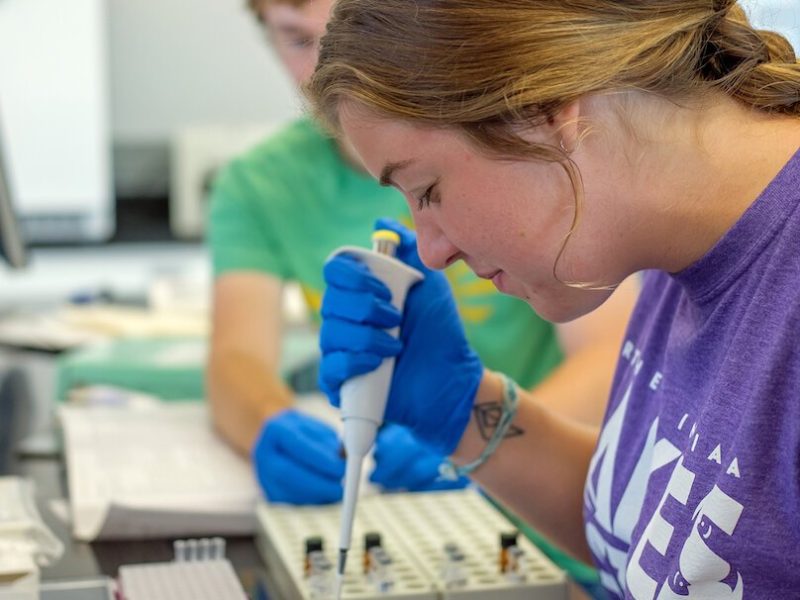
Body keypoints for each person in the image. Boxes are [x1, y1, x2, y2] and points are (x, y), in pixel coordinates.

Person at [306, 0, 800, 597]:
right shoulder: (670, 244)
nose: (432, 251)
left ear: (541, 111)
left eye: (427, 189)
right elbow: (675, 547)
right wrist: (463, 408)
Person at [206, 0, 635, 591]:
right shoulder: (261, 181)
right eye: (299, 42)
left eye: (429, 188)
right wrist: (265, 422)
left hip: (552, 503)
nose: (330, 75)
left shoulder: (520, 150)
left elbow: (614, 351)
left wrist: (474, 435)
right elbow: (236, 354)